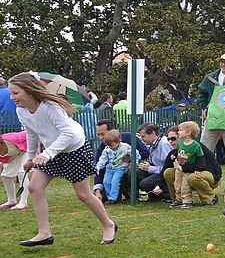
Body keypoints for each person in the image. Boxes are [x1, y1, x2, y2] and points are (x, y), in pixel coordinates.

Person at [8, 72, 117, 246]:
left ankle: (109, 225)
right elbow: (31, 133)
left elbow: (68, 133)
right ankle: (44, 234)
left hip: (74, 149)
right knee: (34, 187)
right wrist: (31, 157)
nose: (12, 97)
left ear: (29, 91)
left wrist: (46, 154)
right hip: (52, 151)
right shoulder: (21, 111)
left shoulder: (50, 106)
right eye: (11, 93)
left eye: (16, 93)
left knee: (83, 194)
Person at [95, 129, 138, 205]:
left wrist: (135, 162)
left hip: (120, 168)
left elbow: (135, 153)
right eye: (108, 145)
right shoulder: (107, 149)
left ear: (119, 141)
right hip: (110, 168)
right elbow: (102, 159)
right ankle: (109, 197)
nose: (110, 147)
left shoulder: (125, 147)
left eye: (112, 145)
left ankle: (113, 198)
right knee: (106, 182)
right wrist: (98, 167)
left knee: (115, 181)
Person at [138, 125, 177, 201]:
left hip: (163, 173)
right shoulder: (153, 144)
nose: (141, 139)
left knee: (145, 184)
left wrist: (150, 168)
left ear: (152, 133)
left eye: (143, 136)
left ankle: (167, 193)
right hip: (158, 170)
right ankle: (153, 196)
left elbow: (169, 166)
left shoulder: (164, 144)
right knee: (136, 172)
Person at [0, 131, 29, 209]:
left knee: (22, 172)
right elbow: (4, 159)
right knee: (5, 175)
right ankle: (11, 201)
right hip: (14, 155)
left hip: (27, 149)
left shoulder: (13, 139)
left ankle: (23, 203)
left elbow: (30, 135)